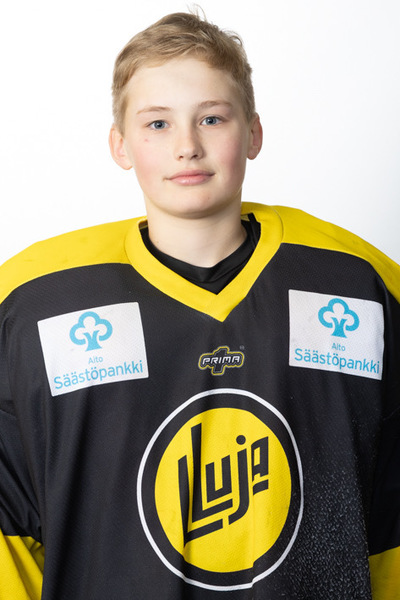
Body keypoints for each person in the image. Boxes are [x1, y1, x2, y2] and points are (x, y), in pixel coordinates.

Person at [0, 10, 399, 600]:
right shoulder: (35, 303)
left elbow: (389, 515)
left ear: (253, 134)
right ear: (120, 144)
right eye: (158, 123)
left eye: (212, 118)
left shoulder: (359, 284)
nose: (187, 146)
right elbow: (11, 528)